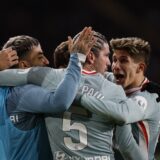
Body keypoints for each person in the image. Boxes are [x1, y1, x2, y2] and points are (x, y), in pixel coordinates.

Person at [0, 31, 147, 160]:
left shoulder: (48, 78)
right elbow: (126, 144)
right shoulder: (114, 90)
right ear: (90, 56)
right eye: (107, 56)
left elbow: (5, 76)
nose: (109, 62)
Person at [0, 26, 95, 160]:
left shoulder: (3, 91)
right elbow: (60, 102)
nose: (47, 61)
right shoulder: (23, 93)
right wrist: (77, 59)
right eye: (40, 57)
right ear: (24, 66)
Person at [108, 37, 160, 160]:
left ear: (140, 68)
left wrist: (83, 98)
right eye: (114, 60)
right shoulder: (116, 82)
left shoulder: (147, 98)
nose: (115, 66)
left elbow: (121, 114)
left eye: (123, 61)